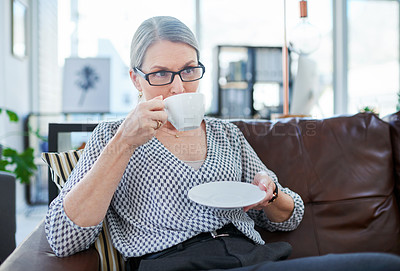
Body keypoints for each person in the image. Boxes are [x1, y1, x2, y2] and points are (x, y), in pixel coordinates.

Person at [45, 16, 400, 271]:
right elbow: (63, 238)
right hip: (174, 264)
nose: (178, 87)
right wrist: (125, 143)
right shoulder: (112, 136)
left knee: (381, 264)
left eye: (188, 70)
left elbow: (290, 218)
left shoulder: (224, 133)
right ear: (136, 79)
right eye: (160, 74)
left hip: (252, 259)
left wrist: (271, 194)